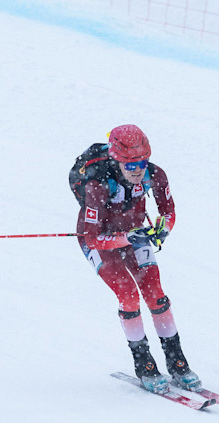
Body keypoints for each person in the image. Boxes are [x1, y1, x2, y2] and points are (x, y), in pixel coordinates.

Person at [69, 124, 200, 394]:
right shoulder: (98, 185)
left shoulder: (155, 175)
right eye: (130, 165)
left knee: (156, 294)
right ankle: (144, 365)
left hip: (133, 236)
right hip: (101, 242)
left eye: (142, 161)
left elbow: (168, 211)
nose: (138, 169)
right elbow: (92, 238)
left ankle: (177, 361)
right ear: (116, 161)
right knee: (128, 295)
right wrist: (129, 238)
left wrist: (163, 227)